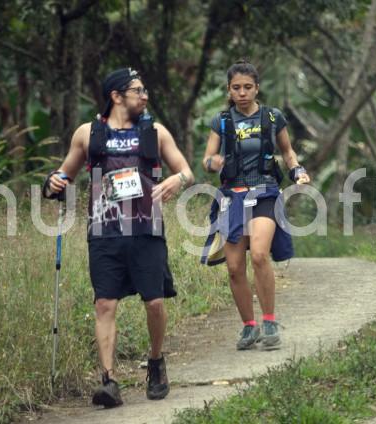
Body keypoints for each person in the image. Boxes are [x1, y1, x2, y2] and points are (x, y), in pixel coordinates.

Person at [43, 67, 194, 407]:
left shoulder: (154, 132)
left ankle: (156, 362)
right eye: (138, 90)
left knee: (154, 302)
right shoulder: (88, 133)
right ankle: (109, 380)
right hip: (104, 232)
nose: (145, 95)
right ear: (116, 96)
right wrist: (52, 183)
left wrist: (177, 181)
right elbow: (61, 174)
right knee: (105, 303)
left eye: (145, 90)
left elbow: (185, 171)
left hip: (146, 229)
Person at [200, 61, 310, 351]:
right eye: (236, 88)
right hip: (232, 196)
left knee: (260, 255)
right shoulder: (222, 122)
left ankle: (270, 320)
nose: (242, 92)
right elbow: (207, 159)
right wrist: (214, 162)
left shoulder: (273, 118)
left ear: (257, 88)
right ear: (228, 90)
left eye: (248, 87)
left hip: (265, 193)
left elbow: (287, 151)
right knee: (235, 267)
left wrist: (297, 170)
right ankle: (249, 326)